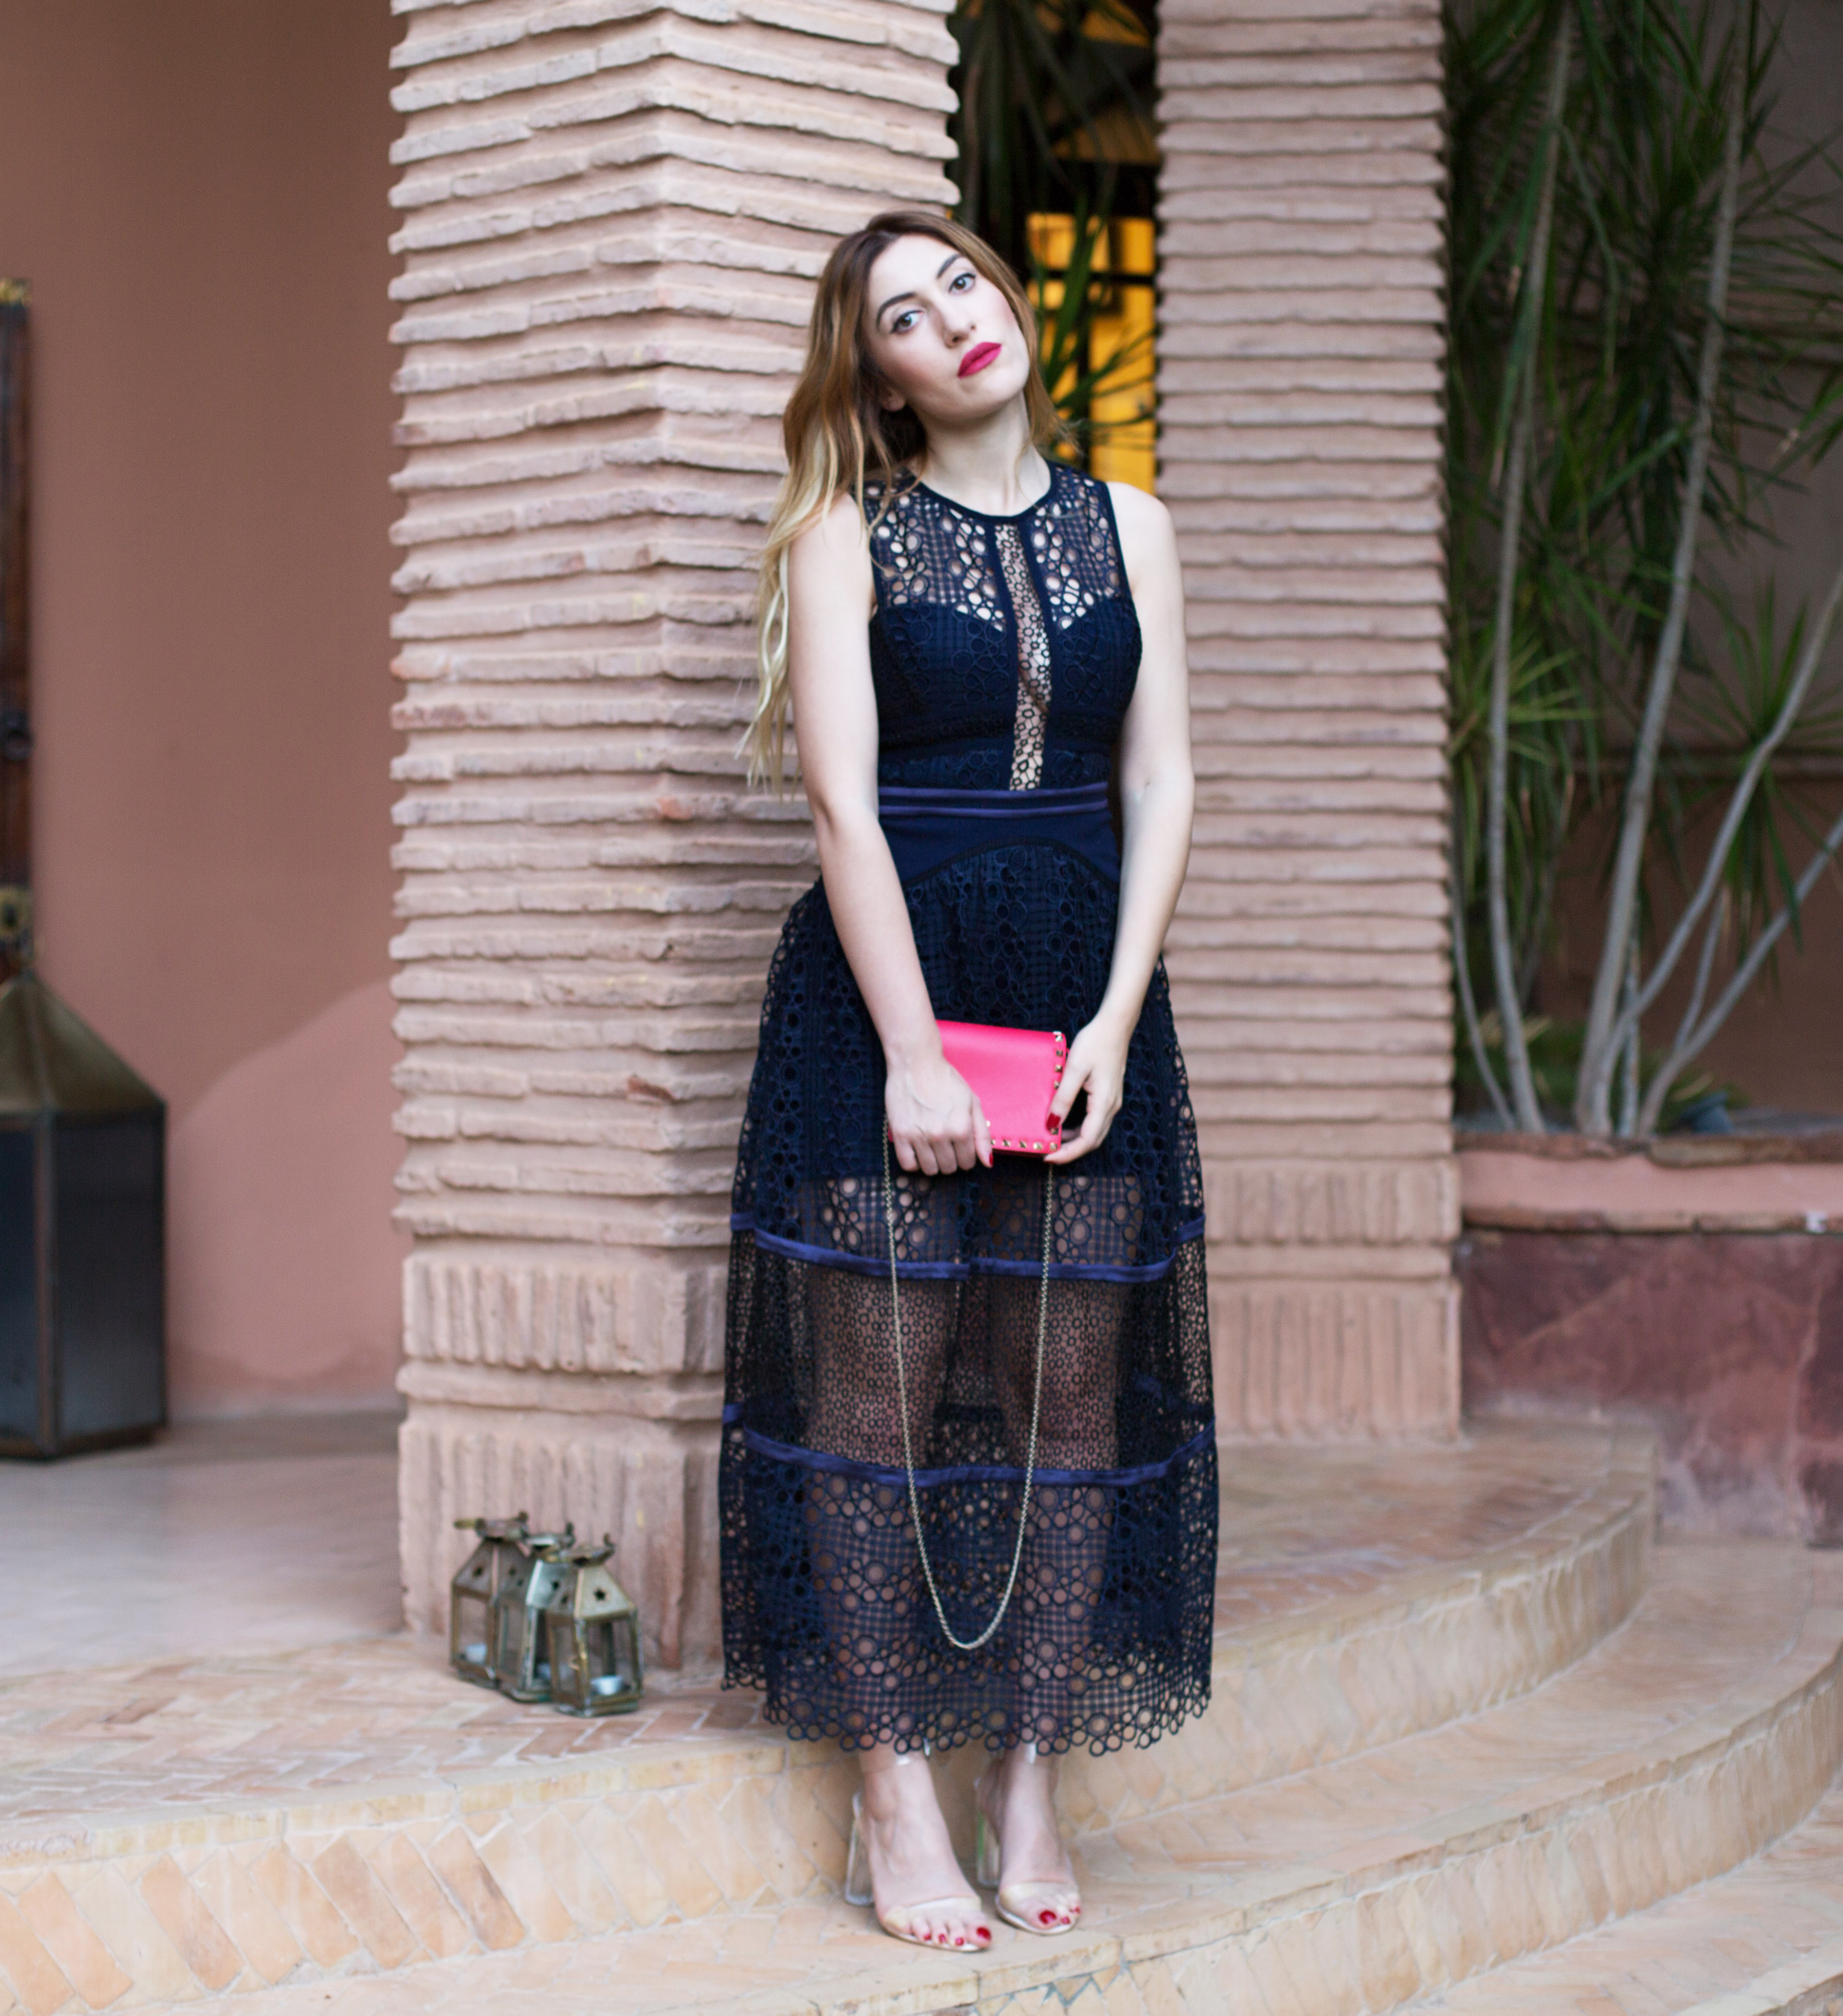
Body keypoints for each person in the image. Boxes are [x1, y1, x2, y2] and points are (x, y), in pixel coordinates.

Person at [715, 211, 1216, 1955]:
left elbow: (1160, 784)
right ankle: (893, 1793)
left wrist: (1117, 1018)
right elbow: (840, 805)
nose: (954, 321)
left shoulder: (1133, 526)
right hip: (883, 1001)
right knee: (882, 1406)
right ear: (880, 379)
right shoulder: (842, 536)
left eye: (964, 284)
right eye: (905, 317)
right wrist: (914, 1050)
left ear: (1008, 300)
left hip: (1082, 993)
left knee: (1070, 1404)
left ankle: (1031, 1782)